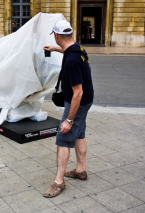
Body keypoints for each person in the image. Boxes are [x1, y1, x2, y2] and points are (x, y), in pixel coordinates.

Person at [43, 20, 94, 198]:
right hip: (86, 100)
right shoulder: (77, 49)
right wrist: (55, 49)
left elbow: (77, 93)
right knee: (79, 134)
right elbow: (67, 50)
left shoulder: (71, 60)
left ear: (57, 36)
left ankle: (58, 182)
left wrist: (69, 120)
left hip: (78, 102)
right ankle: (81, 170)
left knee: (63, 138)